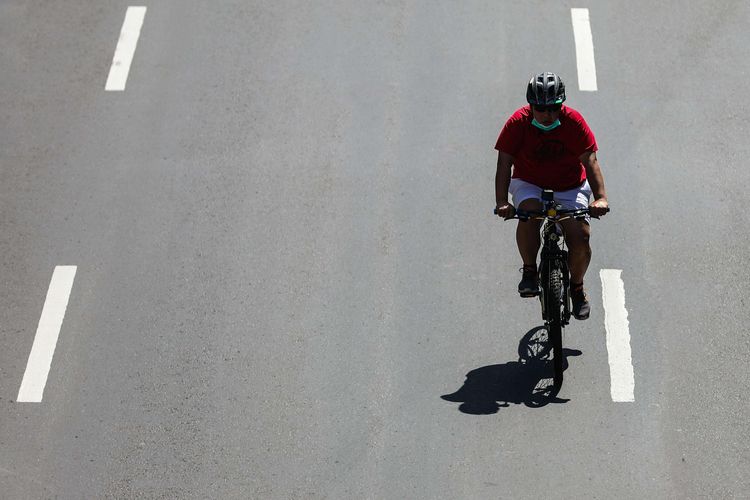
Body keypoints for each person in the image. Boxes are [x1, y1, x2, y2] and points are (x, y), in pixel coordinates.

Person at [494, 72, 609, 320]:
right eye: (541, 108)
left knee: (581, 237)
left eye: (554, 108)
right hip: (530, 182)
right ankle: (529, 270)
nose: (547, 115)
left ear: (561, 104)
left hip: (570, 185)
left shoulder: (574, 122)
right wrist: (502, 202)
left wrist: (600, 198)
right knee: (530, 214)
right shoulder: (517, 123)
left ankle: (577, 289)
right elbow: (504, 164)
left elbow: (590, 161)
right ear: (531, 105)